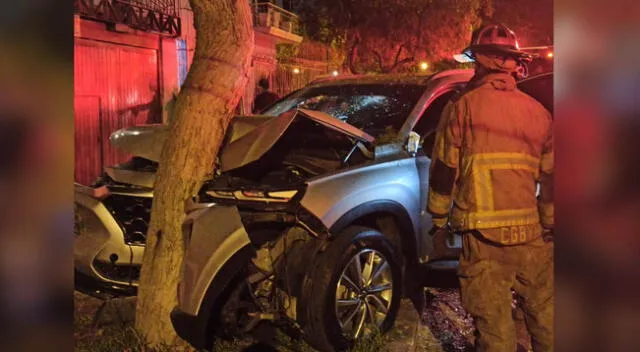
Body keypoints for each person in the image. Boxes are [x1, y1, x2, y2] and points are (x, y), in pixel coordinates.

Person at [427, 24, 554, 352]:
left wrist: (438, 219)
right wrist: (549, 222)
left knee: (494, 322)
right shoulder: (539, 113)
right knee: (547, 315)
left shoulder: (461, 108)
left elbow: (444, 170)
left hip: (484, 237)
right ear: (513, 63)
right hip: (531, 236)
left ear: (479, 61)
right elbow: (552, 178)